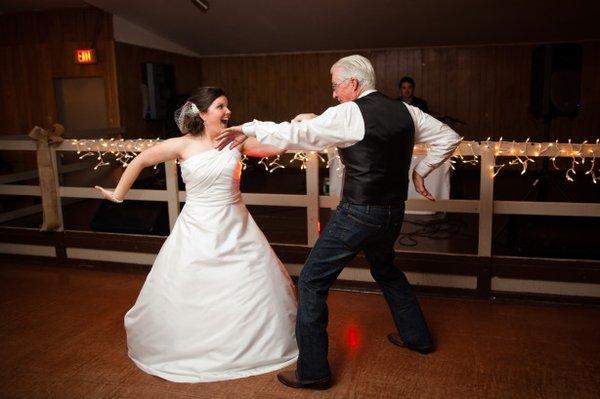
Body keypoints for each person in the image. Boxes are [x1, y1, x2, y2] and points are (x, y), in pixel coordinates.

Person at [216, 55, 461, 390]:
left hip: (358, 214)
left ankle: (313, 372)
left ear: (353, 84)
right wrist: (420, 172)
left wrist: (247, 127)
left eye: (335, 86)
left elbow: (296, 133)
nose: (333, 94)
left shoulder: (349, 112)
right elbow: (449, 136)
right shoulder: (406, 110)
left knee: (312, 282)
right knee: (387, 270)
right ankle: (418, 337)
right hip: (393, 213)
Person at [95, 87, 298, 383]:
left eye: (227, 106)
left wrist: (299, 124)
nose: (228, 112)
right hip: (196, 226)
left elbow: (277, 147)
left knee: (250, 284)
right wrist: (117, 195)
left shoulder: (236, 141)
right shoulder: (181, 145)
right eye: (220, 106)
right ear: (202, 114)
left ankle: (251, 346)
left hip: (236, 226)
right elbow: (140, 160)